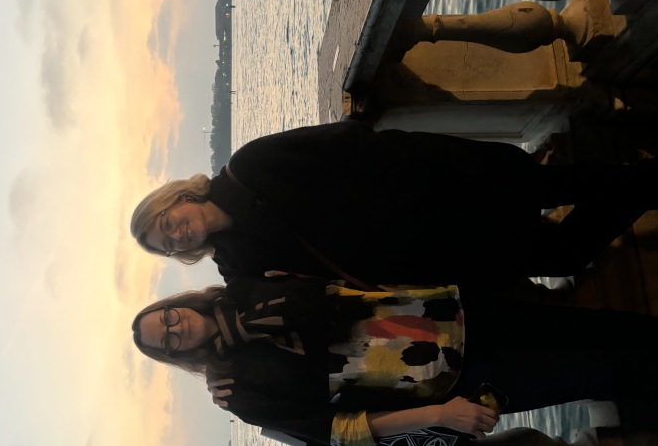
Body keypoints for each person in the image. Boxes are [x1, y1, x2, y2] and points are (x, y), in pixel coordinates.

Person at [131, 273, 658, 446]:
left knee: (589, 326)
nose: (177, 329)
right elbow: (342, 430)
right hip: (445, 379)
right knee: (594, 373)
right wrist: (441, 415)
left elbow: (331, 287)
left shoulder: (242, 288)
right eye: (168, 341)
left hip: (446, 312)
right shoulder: (238, 391)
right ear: (176, 356)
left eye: (169, 319)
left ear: (178, 304)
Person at [131, 120, 657, 293]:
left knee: (556, 187)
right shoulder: (238, 267)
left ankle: (643, 181)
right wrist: (216, 370)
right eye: (167, 245)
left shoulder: (252, 164)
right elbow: (253, 319)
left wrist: (446, 163)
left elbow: (355, 142)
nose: (177, 236)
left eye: (166, 224)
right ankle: (644, 183)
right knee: (562, 255)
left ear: (177, 198)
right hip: (431, 256)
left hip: (443, 189)